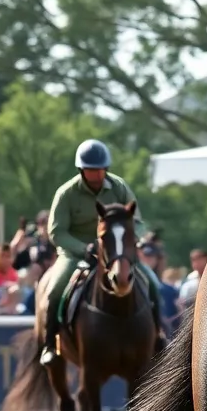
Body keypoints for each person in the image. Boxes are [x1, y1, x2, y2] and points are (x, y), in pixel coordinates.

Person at [39, 138, 163, 367]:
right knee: (55, 289)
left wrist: (129, 241)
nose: (96, 175)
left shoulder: (119, 187)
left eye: (100, 170)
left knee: (152, 282)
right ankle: (50, 344)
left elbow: (138, 222)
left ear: (106, 169)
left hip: (116, 252)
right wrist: (83, 248)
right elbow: (56, 232)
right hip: (76, 253)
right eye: (90, 171)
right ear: (81, 170)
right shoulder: (66, 193)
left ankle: (158, 335)